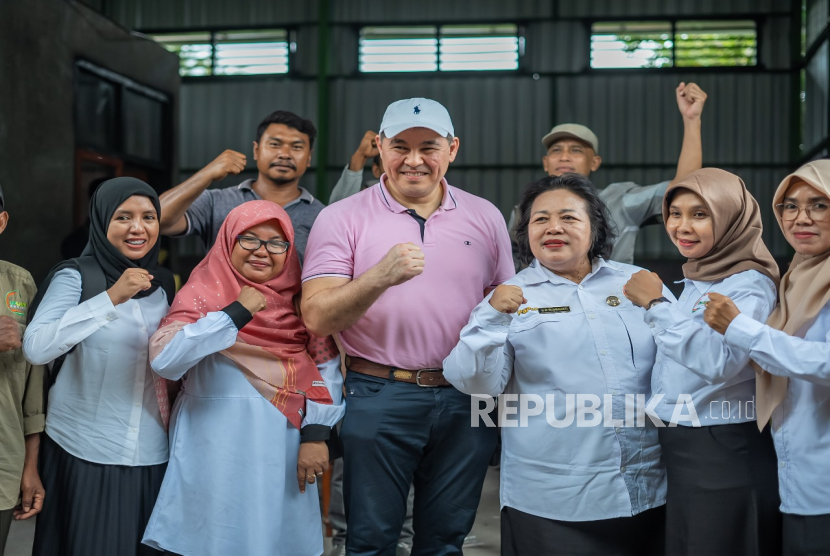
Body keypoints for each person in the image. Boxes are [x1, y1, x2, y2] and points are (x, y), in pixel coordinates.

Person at [301, 98, 514, 556]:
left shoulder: (485, 216)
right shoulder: (341, 217)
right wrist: (380, 275)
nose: (414, 160)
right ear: (379, 146)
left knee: (445, 539)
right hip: (379, 392)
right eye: (400, 146)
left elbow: (507, 307)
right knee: (371, 538)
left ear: (452, 149)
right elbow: (316, 315)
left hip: (466, 397)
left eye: (428, 147)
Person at [444, 173, 671, 556]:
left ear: (594, 227)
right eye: (540, 219)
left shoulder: (637, 283)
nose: (553, 228)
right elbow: (476, 385)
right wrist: (491, 321)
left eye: (568, 217)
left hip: (647, 488)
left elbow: (680, 360)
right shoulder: (510, 298)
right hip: (550, 500)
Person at [142, 201, 344, 556]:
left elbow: (325, 370)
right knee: (210, 534)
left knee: (271, 537)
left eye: (276, 243)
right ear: (227, 242)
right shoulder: (200, 296)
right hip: (211, 443)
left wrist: (317, 435)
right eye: (249, 239)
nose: (262, 251)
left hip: (283, 444)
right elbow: (167, 361)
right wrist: (235, 313)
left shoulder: (301, 304)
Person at [622, 168, 782, 556]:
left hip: (722, 444)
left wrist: (657, 305)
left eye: (700, 214)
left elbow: (719, 362)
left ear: (730, 217)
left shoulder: (748, 283)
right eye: (674, 213)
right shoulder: (701, 277)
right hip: (687, 444)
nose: (682, 226)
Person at [23, 178, 175, 556]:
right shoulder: (76, 276)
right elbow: (37, 348)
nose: (138, 228)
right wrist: (111, 297)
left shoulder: (165, 286)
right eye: (123, 217)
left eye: (148, 217)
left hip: (152, 455)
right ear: (102, 221)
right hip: (81, 451)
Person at [704, 159, 830, 556]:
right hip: (797, 482)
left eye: (819, 205)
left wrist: (741, 329)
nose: (800, 218)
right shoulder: (796, 276)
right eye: (789, 206)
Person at [508, 82, 708, 268]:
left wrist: (692, 121)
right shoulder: (526, 209)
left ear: (594, 162)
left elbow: (683, 187)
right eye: (556, 151)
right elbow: (513, 263)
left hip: (612, 301)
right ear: (546, 162)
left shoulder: (620, 200)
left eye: (576, 151)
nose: (564, 157)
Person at [159, 110, 324, 261]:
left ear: (309, 157)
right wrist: (206, 174)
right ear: (256, 150)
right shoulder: (215, 201)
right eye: (275, 144)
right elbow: (157, 220)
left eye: (296, 147)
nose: (284, 154)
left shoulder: (322, 217)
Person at [0, 182, 45, 555]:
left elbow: (32, 389)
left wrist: (29, 468)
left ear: (1, 222)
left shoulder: (19, 283)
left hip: (4, 463)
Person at [329, 130, 384, 204]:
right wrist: (360, 156)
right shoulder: (367, 201)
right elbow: (337, 210)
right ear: (376, 170)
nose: (404, 162)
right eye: (388, 158)